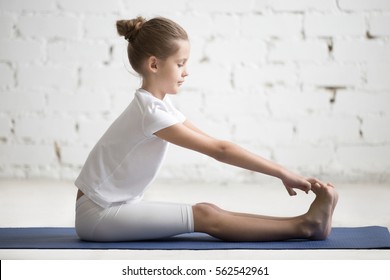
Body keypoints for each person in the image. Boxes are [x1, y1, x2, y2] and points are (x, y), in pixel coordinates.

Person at [74, 16, 338, 242]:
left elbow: (214, 143)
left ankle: (306, 222)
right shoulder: (152, 113)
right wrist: (283, 172)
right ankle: (307, 226)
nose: (186, 72)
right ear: (154, 65)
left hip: (113, 206)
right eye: (180, 64)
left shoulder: (160, 106)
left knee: (206, 210)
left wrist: (280, 172)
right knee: (205, 216)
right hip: (98, 214)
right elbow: (219, 150)